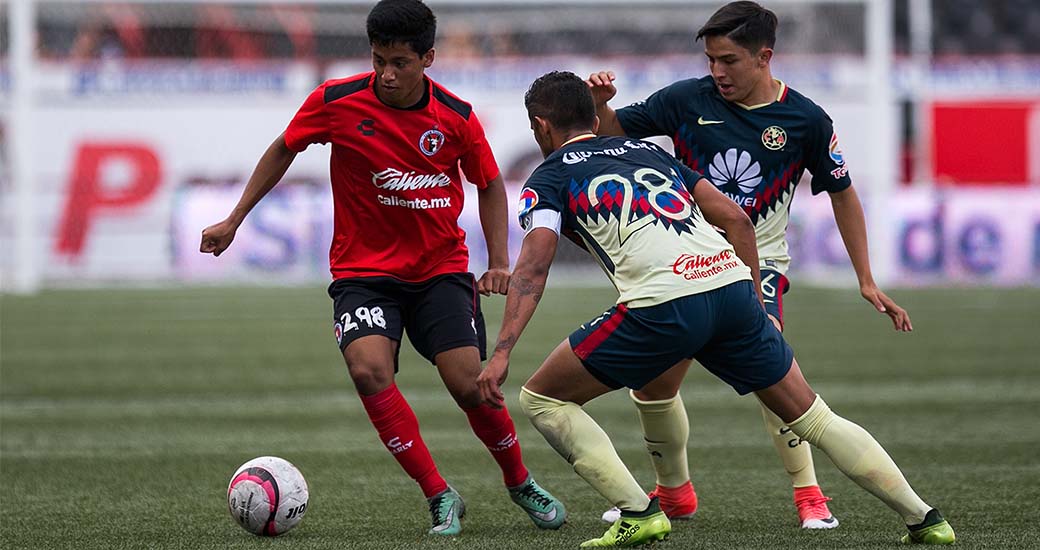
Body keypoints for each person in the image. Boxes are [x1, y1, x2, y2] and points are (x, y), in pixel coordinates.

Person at [476, 70, 954, 547]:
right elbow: (737, 219)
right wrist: (756, 300)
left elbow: (533, 268)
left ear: (540, 126)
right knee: (815, 417)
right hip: (730, 287)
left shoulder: (548, 178)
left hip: (663, 303)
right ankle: (926, 518)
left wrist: (501, 353)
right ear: (591, 116)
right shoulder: (650, 153)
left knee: (542, 398)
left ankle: (639, 512)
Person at [199, 0, 565, 537]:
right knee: (369, 369)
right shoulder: (336, 102)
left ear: (428, 59)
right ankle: (440, 495)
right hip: (362, 272)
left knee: (470, 385)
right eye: (379, 61)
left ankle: (518, 481)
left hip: (440, 270)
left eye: (399, 63)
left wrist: (499, 261)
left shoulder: (457, 118)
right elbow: (283, 148)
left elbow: (488, 182)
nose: (387, 74)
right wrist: (234, 219)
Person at [586, 0, 913, 529]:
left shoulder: (804, 119)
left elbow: (842, 193)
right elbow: (610, 138)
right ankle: (674, 495)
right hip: (684, 262)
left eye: (729, 61)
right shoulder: (684, 100)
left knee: (774, 379)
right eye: (712, 60)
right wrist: (602, 105)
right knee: (652, 385)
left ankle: (810, 495)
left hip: (754, 267)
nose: (717, 72)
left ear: (764, 57)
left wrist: (866, 278)